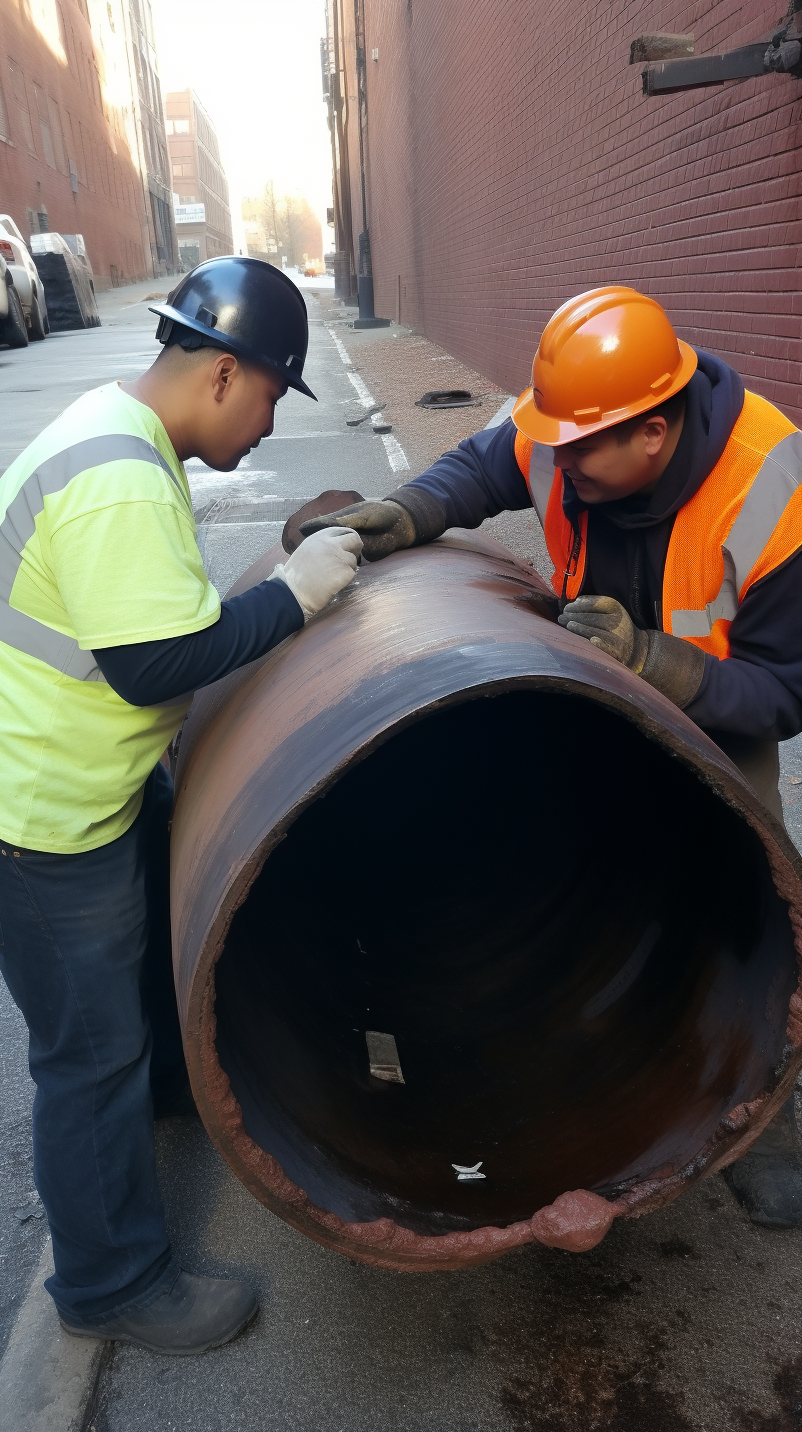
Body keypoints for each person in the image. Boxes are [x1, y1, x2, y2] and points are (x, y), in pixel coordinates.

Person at [301, 284, 802, 1229]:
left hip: (716, 727)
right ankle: (597, 1051)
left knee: (739, 909)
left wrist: (660, 664)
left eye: (578, 451)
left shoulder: (771, 487)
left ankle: (761, 1118)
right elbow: (482, 467)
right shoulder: (569, 434)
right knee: (598, 877)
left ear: (651, 436)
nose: (555, 464)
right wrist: (406, 513)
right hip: (579, 710)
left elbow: (789, 688)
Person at [0, 257, 362, 1354]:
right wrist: (294, 599)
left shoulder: (124, 439)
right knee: (83, 1054)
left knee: (136, 992)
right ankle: (111, 1282)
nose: (263, 426)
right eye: (270, 399)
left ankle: (159, 1099)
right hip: (39, 814)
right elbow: (156, 662)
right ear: (227, 373)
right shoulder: (115, 471)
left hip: (82, 780)